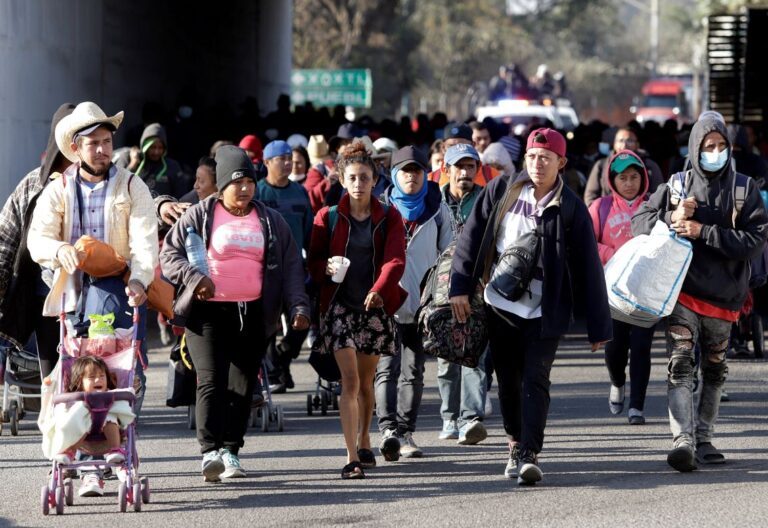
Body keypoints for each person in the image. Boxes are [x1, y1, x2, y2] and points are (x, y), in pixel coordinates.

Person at [449, 128, 612, 485]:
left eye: (546, 158)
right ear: (525, 159)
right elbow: (472, 238)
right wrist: (459, 287)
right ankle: (514, 442)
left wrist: (599, 326)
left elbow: (588, 265)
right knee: (508, 380)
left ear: (561, 163)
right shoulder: (502, 190)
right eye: (533, 157)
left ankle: (529, 453)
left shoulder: (570, 207)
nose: (538, 164)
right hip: (499, 303)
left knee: (535, 378)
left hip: (545, 309)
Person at [27, 101, 158, 496]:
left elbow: (145, 242)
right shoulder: (59, 188)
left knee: (112, 376)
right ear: (76, 147)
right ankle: (86, 462)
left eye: (106, 142)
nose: (102, 150)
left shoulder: (132, 185)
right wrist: (58, 250)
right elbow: (38, 238)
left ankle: (100, 459)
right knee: (73, 377)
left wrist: (138, 280)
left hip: (115, 291)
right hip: (70, 292)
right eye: (93, 143)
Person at [160, 145, 310, 482]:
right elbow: (170, 256)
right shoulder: (200, 214)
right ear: (222, 184)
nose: (244, 189)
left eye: (249, 183)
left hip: (253, 312)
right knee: (211, 380)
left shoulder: (271, 220)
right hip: (207, 313)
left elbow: (291, 269)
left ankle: (231, 450)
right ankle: (209, 451)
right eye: (237, 182)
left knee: (243, 385)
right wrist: (194, 278)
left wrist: (299, 306)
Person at [632, 114, 768, 472]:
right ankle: (683, 439)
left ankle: (704, 437)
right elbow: (639, 222)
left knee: (714, 368)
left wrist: (703, 231)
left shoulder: (744, 189)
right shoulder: (676, 186)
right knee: (680, 363)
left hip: (725, 300)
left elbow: (755, 240)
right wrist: (671, 217)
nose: (716, 152)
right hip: (682, 293)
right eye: (708, 147)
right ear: (695, 149)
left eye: (721, 146)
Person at [308, 140, 406, 479]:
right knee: (349, 382)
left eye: (364, 177)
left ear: (375, 180)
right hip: (338, 309)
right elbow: (313, 263)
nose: (358, 184)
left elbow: (395, 259)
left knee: (366, 383)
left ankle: (365, 438)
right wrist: (326, 268)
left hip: (374, 307)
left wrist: (380, 290)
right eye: (352, 178)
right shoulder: (328, 217)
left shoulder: (389, 216)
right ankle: (351, 456)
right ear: (341, 179)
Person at [376, 146, 454, 459]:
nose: (411, 176)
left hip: (423, 305)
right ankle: (387, 431)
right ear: (394, 174)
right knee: (385, 370)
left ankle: (406, 432)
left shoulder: (438, 208)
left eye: (417, 171)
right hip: (385, 301)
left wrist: (443, 297)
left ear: (425, 173)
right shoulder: (380, 208)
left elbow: (450, 253)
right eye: (405, 171)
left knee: (413, 370)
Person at [0, 103, 75, 379]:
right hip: (47, 296)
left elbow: (141, 200)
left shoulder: (105, 181)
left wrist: (162, 205)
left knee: (88, 379)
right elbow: (6, 239)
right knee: (52, 379)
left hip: (94, 298)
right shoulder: (34, 183)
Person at [588, 150, 654, 425]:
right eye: (623, 178)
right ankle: (617, 381)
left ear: (643, 179)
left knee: (641, 347)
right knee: (615, 350)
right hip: (612, 292)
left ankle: (637, 406)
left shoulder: (653, 205)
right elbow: (585, 242)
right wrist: (612, 254)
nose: (629, 183)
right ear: (612, 181)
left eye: (634, 177)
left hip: (646, 290)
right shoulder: (600, 207)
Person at [435, 144, 489, 444]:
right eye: (459, 167)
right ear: (446, 169)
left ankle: (471, 419)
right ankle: (448, 417)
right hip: (442, 290)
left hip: (476, 286)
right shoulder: (435, 202)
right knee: (446, 356)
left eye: (470, 167)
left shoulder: (485, 201)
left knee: (475, 354)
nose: (465, 173)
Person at [258, 140, 313, 392]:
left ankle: (283, 354)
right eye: (282, 158)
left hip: (295, 267)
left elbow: (311, 230)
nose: (288, 162)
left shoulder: (300, 192)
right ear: (267, 162)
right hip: (263, 269)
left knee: (304, 315)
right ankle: (275, 372)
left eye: (290, 157)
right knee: (266, 322)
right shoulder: (258, 192)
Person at [47, 356, 133, 466]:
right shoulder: (76, 398)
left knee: (110, 418)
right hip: (84, 436)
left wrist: (127, 393)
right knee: (79, 419)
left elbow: (126, 396)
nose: (98, 380)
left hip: (107, 435)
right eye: (92, 377)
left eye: (102, 376)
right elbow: (67, 416)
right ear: (80, 382)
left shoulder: (111, 394)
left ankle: (115, 449)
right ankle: (70, 451)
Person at [583, 127, 664, 206]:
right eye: (621, 141)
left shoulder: (649, 165)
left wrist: (645, 213)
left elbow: (658, 195)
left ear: (637, 145)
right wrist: (598, 212)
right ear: (614, 144)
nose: (625, 144)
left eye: (630, 141)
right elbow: (590, 195)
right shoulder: (601, 165)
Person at [132, 123, 191, 199]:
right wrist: (133, 164)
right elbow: (119, 185)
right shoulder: (132, 160)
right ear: (145, 146)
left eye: (160, 148)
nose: (156, 152)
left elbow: (182, 195)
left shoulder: (173, 166)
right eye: (152, 147)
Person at [429, 124, 498, 187]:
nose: (457, 151)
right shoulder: (431, 179)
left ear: (473, 145)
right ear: (443, 148)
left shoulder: (492, 176)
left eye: (462, 146)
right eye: (451, 146)